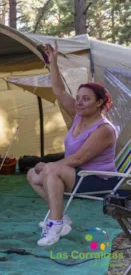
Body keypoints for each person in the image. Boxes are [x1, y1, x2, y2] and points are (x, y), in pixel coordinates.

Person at [27, 41, 119, 246]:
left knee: (51, 171)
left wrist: (51, 165)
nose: (79, 102)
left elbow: (78, 159)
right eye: (78, 98)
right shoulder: (79, 116)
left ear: (99, 103)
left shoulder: (104, 129)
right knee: (33, 174)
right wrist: (53, 63)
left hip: (99, 179)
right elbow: (59, 91)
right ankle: (61, 217)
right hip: (77, 173)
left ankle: (56, 222)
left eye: (86, 99)